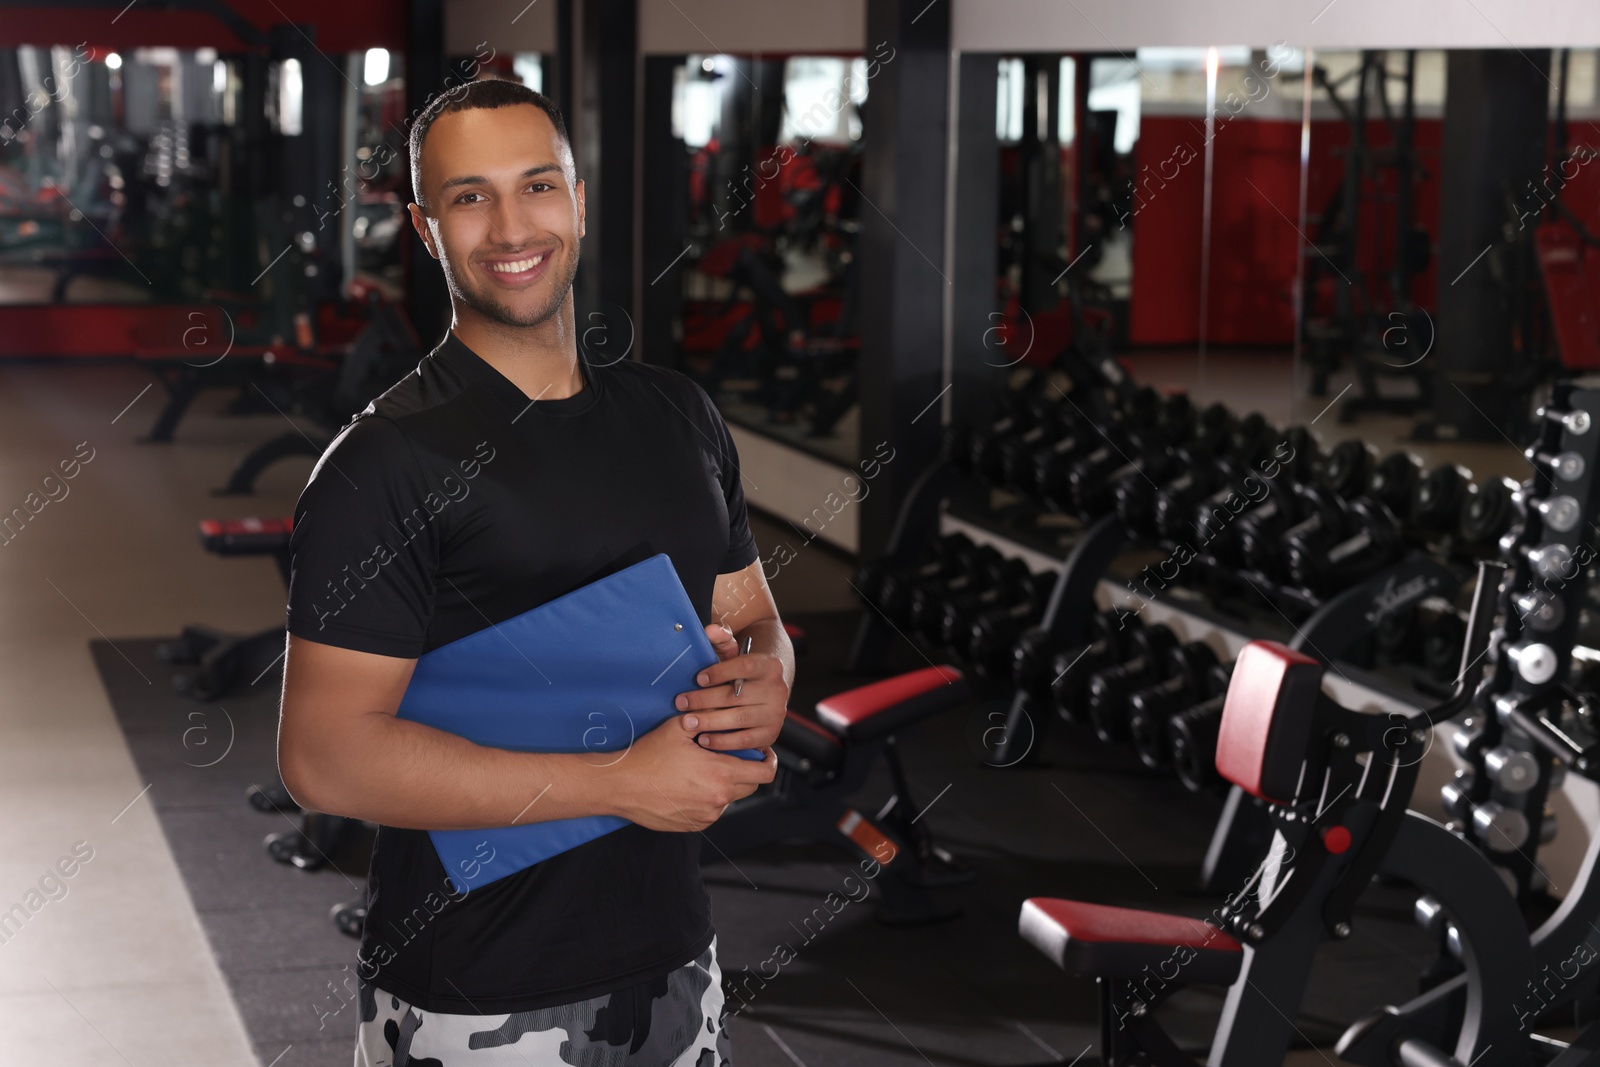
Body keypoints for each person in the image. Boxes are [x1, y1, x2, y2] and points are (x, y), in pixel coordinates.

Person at [277, 77, 792, 1066]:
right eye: (470, 196)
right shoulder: (385, 462)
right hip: (475, 988)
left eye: (537, 184)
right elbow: (324, 758)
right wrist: (621, 780)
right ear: (426, 228)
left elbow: (754, 617)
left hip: (673, 958)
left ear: (579, 199)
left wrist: (768, 680)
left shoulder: (677, 415)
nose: (512, 224)